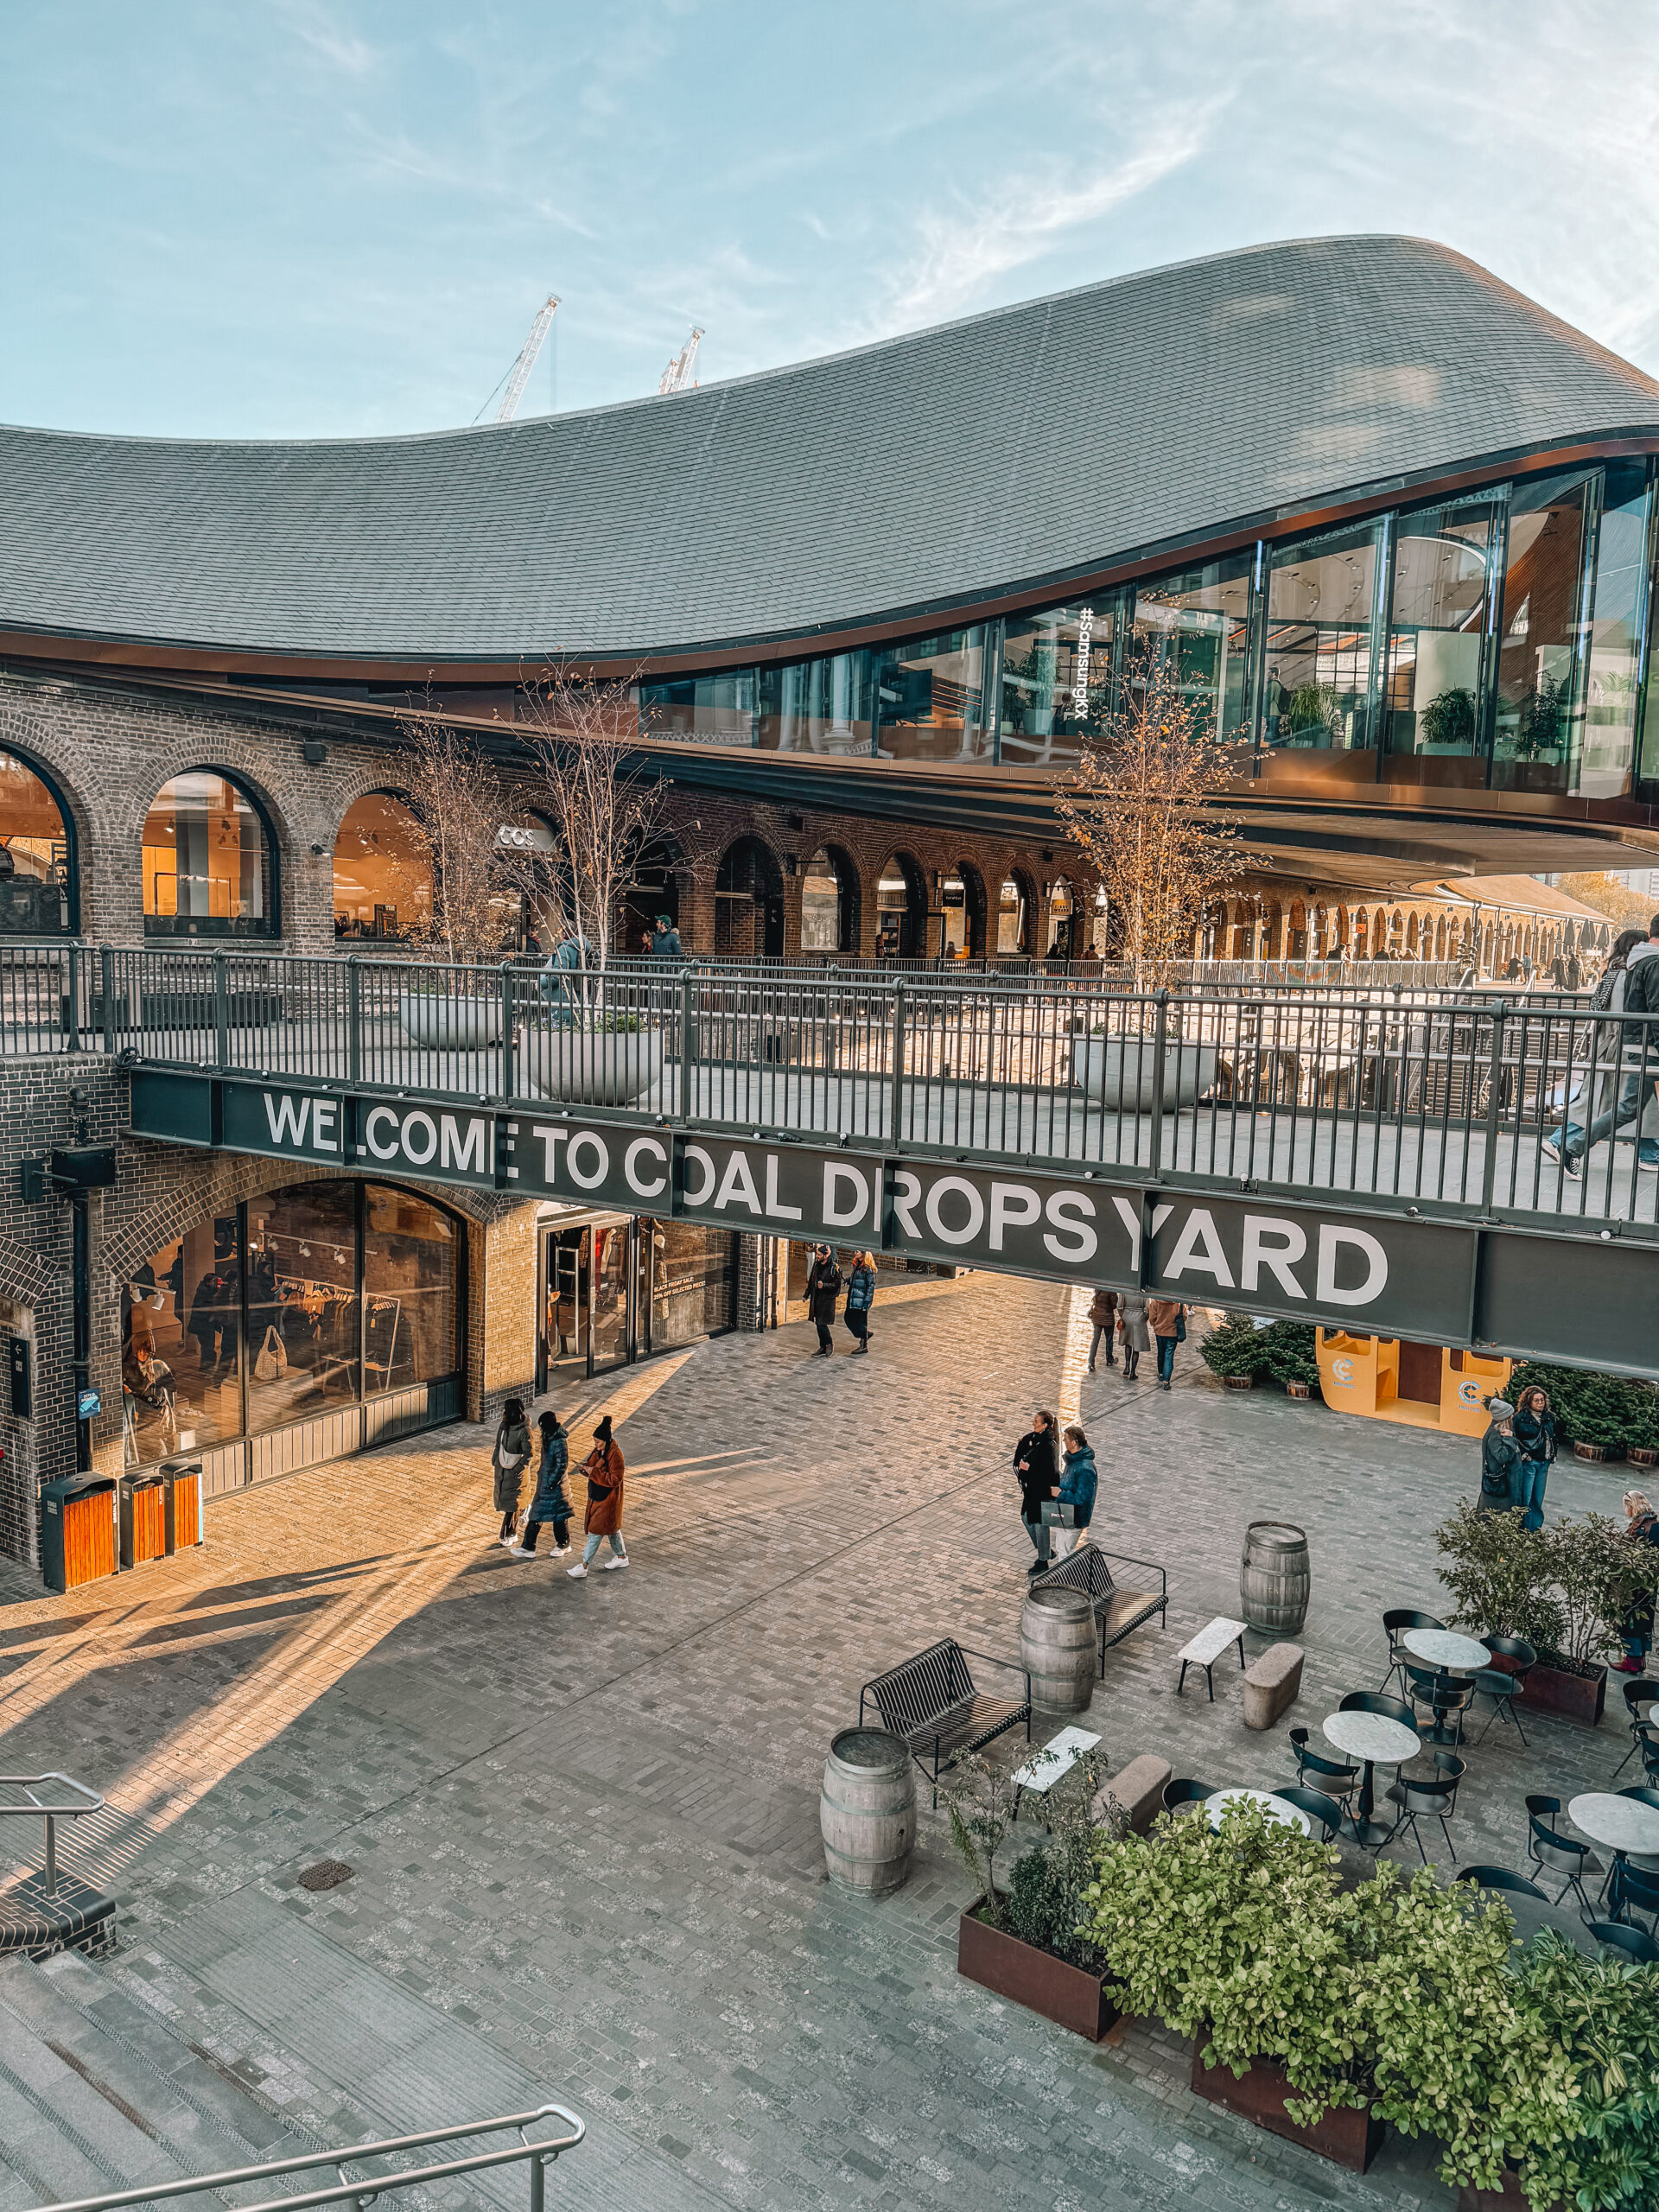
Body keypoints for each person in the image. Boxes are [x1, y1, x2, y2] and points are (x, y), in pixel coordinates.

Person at [1548, 915, 1659, 1179]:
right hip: (1644, 1047)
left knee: (1629, 1107)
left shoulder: (1633, 963)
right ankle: (1570, 1146)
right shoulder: (1652, 963)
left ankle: (1570, 1146)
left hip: (1634, 1045)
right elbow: (1654, 1010)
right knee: (1626, 1107)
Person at [568, 1414, 626, 1575]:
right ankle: (621, 1557)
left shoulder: (616, 1455)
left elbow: (615, 1479)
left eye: (598, 1442)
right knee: (612, 1529)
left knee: (596, 1532)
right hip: (598, 1497)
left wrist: (593, 1473)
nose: (596, 1445)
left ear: (606, 1441)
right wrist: (585, 1469)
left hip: (608, 1501)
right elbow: (592, 1466)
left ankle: (584, 1566)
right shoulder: (599, 1451)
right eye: (595, 1442)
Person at [511, 1408, 571, 1559]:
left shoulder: (559, 1441)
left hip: (555, 1487)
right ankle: (528, 1547)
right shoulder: (549, 1437)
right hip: (545, 1484)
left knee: (558, 1517)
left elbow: (562, 1465)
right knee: (536, 1514)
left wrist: (551, 1482)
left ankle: (564, 1544)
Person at [1614, 1490, 1659, 1672]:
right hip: (1650, 1583)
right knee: (1643, 1619)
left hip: (1635, 1582)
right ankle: (1638, 1659)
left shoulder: (1640, 1528)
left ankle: (1633, 1659)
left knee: (1629, 1618)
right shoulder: (1654, 1523)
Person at [1013, 1409, 1058, 1573]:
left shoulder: (1048, 1446)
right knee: (1026, 1518)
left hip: (1041, 1491)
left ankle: (1043, 1560)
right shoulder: (1036, 1439)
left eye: (1036, 1422)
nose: (1033, 1424)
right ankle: (1045, 1551)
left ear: (1045, 1425)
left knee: (1040, 1523)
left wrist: (1028, 1468)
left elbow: (1048, 1472)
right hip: (1031, 1490)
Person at [1510, 1384, 1558, 1531]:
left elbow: (1554, 1437)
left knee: (1537, 1499)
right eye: (1536, 1400)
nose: (1540, 1403)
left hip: (1544, 1463)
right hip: (1529, 1463)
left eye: (1542, 1400)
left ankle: (1534, 1530)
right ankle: (1522, 1530)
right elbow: (1514, 1439)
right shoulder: (1520, 1418)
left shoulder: (1549, 1417)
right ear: (1528, 1401)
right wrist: (1525, 1455)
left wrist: (1553, 1454)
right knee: (1526, 1499)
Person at [492, 1395, 532, 1546]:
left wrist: (518, 1469)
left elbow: (529, 1454)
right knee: (506, 1501)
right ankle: (525, 1508)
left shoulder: (525, 1431)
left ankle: (508, 1534)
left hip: (516, 1473)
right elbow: (498, 1444)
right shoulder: (503, 1426)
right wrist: (495, 1460)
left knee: (512, 1504)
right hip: (502, 1470)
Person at [1053, 1424, 1097, 1560]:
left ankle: (1066, 1574)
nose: (1064, 1442)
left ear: (1074, 1442)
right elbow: (1068, 1482)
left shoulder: (1084, 1468)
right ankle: (1062, 1573)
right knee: (1061, 1548)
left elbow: (1082, 1498)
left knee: (1065, 1552)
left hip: (1075, 1518)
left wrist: (1060, 1494)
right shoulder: (1073, 1461)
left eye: (1066, 1439)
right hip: (1065, 1513)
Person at [1477, 1398, 1521, 1515]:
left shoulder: (1500, 1430)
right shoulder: (1495, 1434)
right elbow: (1502, 1457)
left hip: (1500, 1484)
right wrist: (1510, 1439)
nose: (1513, 1417)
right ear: (1505, 1418)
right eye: (1510, 1415)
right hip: (1499, 1486)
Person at [805, 1243, 842, 1356]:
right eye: (817, 1254)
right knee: (818, 1323)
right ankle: (823, 1346)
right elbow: (812, 1280)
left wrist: (824, 1285)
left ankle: (828, 1344)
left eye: (819, 1254)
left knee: (821, 1323)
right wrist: (806, 1294)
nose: (817, 1256)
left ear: (826, 1256)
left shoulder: (833, 1267)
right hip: (817, 1298)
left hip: (826, 1300)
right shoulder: (817, 1265)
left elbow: (837, 1284)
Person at [843, 1250, 876, 1354]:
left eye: (857, 1251)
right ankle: (865, 1334)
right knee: (848, 1318)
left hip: (861, 1301)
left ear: (864, 1253)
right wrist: (848, 1280)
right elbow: (857, 1279)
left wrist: (866, 1305)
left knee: (860, 1322)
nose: (855, 1253)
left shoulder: (868, 1269)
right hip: (852, 1299)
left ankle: (863, 1345)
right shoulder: (857, 1265)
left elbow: (870, 1288)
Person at [1147, 1297, 1184, 1389]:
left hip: (1159, 1331)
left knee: (1161, 1352)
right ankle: (1166, 1381)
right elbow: (1184, 1316)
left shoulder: (1156, 1301)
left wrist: (1155, 1324)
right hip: (1173, 1333)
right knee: (1169, 1355)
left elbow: (1152, 1317)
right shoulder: (1179, 1303)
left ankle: (1161, 1373)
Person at [1117, 1290, 1149, 1381]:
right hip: (1139, 1319)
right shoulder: (1144, 1292)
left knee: (1128, 1343)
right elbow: (1147, 1309)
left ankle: (1127, 1366)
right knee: (1136, 1347)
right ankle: (1133, 1372)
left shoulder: (1125, 1290)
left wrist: (1123, 1316)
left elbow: (1119, 1306)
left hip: (1127, 1318)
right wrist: (1144, 1319)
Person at [1087, 1287, 1118, 1371]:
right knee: (1109, 1340)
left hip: (1097, 1317)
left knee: (1095, 1340)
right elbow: (1114, 1304)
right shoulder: (1112, 1290)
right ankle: (1109, 1359)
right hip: (1108, 1318)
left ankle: (1091, 1361)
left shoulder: (1098, 1287)